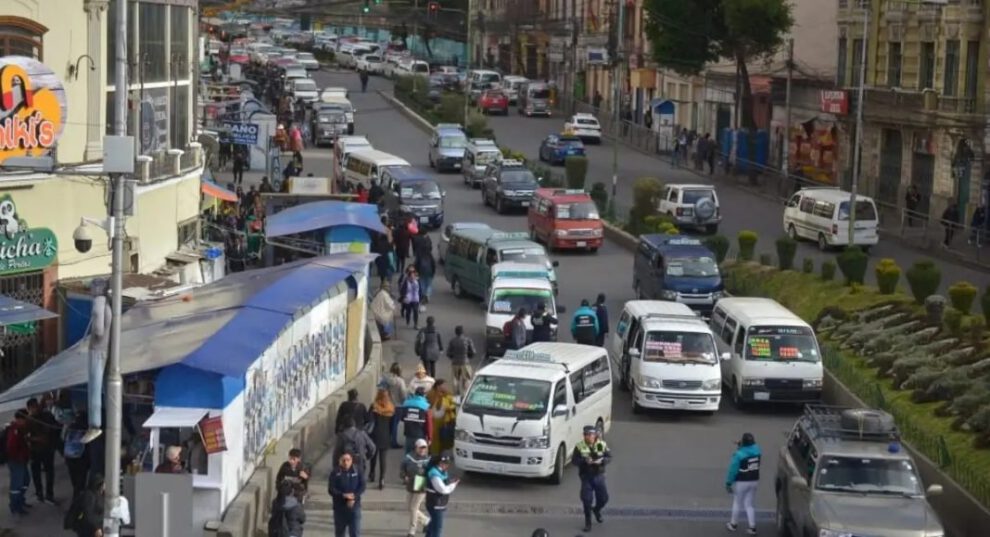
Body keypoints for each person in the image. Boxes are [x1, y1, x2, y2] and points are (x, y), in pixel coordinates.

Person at [572, 425, 611, 532]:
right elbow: (574, 461)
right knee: (586, 500)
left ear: (595, 435)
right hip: (586, 477)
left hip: (599, 476)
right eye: (586, 435)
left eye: (590, 435)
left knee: (604, 499)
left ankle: (597, 510)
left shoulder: (600, 444)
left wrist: (602, 461)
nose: (588, 437)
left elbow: (609, 456)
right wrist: (584, 461)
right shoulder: (580, 446)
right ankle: (588, 523)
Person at [725, 433, 762, 535]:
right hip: (754, 480)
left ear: (743, 443)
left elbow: (733, 470)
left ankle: (733, 524)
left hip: (742, 481)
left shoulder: (739, 455)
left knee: (737, 502)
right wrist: (740, 444)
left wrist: (728, 483)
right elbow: (750, 448)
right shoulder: (758, 450)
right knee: (749, 504)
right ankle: (752, 527)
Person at [27, 396, 58, 504]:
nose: (35, 409)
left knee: (49, 472)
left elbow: (55, 428)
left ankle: (49, 494)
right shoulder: (28, 420)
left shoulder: (46, 415)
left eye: (36, 406)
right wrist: (36, 439)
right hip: (35, 450)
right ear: (29, 409)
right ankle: (39, 493)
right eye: (32, 407)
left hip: (47, 449)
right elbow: (25, 436)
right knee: (37, 473)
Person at [328, 452, 366, 537]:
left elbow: (362, 486)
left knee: (355, 533)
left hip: (354, 507)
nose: (346, 462)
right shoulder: (335, 472)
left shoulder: (357, 471)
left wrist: (354, 497)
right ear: (340, 461)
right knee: (340, 534)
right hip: (339, 508)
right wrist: (343, 495)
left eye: (348, 460)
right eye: (343, 460)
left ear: (351, 460)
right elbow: (331, 489)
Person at [400, 439, 432, 537]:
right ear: (416, 448)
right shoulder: (408, 458)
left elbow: (432, 473)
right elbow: (402, 469)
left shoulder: (429, 460)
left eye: (424, 448)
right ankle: (426, 521)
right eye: (420, 448)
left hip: (421, 483)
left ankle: (412, 531)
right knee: (409, 507)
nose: (423, 450)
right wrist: (404, 476)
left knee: (414, 508)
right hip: (411, 483)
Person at [367, 383, 395, 489]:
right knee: (383, 459)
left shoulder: (374, 406)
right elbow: (392, 425)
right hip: (385, 435)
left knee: (373, 456)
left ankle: (372, 473)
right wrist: (390, 435)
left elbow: (368, 419)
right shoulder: (391, 408)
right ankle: (382, 479)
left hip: (374, 435)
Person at [424, 452, 459, 537]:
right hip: (436, 504)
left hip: (438, 504)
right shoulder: (435, 474)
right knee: (437, 529)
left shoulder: (442, 471)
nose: (446, 465)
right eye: (444, 463)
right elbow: (442, 489)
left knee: (433, 526)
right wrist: (453, 485)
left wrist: (450, 482)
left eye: (447, 463)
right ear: (439, 462)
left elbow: (444, 483)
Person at [6, 410, 31, 515]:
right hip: (16, 461)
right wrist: (18, 457)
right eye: (25, 419)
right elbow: (11, 447)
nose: (26, 421)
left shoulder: (20, 429)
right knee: (17, 485)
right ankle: (15, 506)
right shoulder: (15, 431)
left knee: (25, 481)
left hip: (21, 460)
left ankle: (21, 501)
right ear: (20, 419)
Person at [63, 412, 91, 498]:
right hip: (81, 458)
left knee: (75, 482)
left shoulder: (69, 427)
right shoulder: (86, 429)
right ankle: (78, 501)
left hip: (69, 457)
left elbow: (62, 438)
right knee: (80, 483)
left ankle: (77, 497)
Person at [399, 387, 433, 454]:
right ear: (424, 395)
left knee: (408, 454)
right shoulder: (426, 406)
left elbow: (402, 418)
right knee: (420, 454)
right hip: (420, 434)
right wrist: (429, 437)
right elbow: (429, 424)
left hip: (408, 433)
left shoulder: (406, 403)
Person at [428, 381, 457, 456]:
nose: (445, 387)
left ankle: (444, 453)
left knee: (445, 438)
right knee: (435, 436)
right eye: (443, 385)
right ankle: (435, 453)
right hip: (434, 419)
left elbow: (454, 404)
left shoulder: (448, 394)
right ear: (438, 386)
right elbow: (428, 404)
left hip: (446, 420)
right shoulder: (431, 394)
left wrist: (449, 408)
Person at [446, 326, 476, 397]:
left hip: (455, 363)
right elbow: (473, 352)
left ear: (455, 332)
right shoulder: (468, 340)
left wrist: (453, 358)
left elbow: (448, 353)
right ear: (463, 332)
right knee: (466, 379)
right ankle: (465, 395)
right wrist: (468, 357)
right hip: (465, 362)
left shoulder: (452, 341)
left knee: (455, 380)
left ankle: (456, 395)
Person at [384, 363, 409, 448]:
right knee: (395, 425)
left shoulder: (387, 380)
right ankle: (393, 442)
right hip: (398, 406)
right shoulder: (400, 381)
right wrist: (404, 402)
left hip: (388, 405)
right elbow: (403, 394)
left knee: (388, 424)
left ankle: (387, 441)